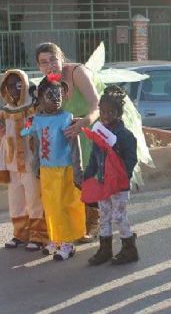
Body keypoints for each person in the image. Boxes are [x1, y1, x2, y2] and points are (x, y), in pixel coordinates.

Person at [35, 43, 100, 244]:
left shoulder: (76, 72)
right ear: (39, 67)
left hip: (89, 129)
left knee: (90, 180)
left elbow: (96, 105)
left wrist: (83, 123)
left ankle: (94, 224)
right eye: (44, 62)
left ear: (62, 58)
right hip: (66, 140)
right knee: (71, 185)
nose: (50, 65)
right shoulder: (46, 84)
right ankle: (74, 226)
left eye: (53, 59)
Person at [21, 74, 84, 261]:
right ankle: (55, 238)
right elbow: (35, 142)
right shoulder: (37, 120)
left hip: (65, 169)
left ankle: (68, 243)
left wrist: (77, 170)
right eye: (50, 95)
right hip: (47, 171)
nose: (56, 99)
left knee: (65, 205)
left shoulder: (67, 118)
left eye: (58, 95)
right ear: (40, 97)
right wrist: (37, 166)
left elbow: (74, 144)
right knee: (50, 205)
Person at [81, 85, 139, 266]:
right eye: (102, 111)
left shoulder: (125, 136)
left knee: (118, 216)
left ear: (119, 113)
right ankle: (105, 249)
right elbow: (93, 157)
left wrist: (123, 175)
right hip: (102, 184)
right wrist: (87, 176)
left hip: (119, 186)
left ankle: (129, 248)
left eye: (110, 112)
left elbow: (131, 159)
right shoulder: (99, 132)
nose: (105, 116)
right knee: (104, 216)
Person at [0, 69, 48, 251]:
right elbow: (1, 137)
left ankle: (39, 236)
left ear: (25, 85)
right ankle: (20, 234)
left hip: (30, 161)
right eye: (9, 86)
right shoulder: (4, 111)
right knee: (16, 200)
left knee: (34, 200)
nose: (14, 89)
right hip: (12, 163)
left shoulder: (34, 107)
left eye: (18, 85)